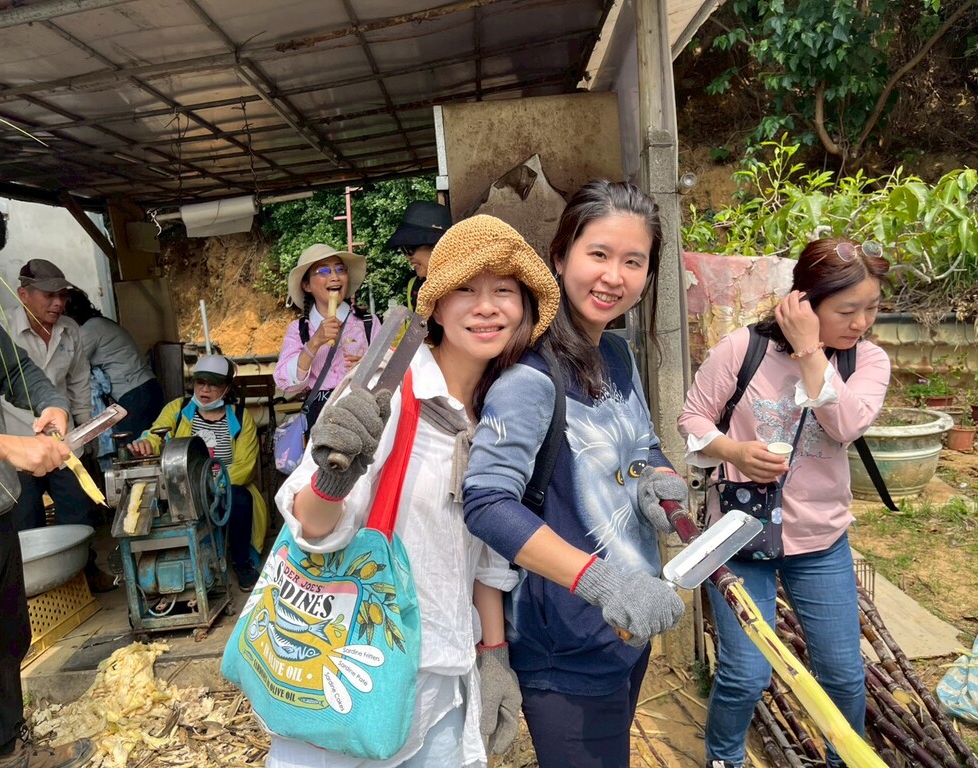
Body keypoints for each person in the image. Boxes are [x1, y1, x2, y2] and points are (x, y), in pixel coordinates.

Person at [270, 214, 561, 768]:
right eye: (465, 290)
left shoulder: (503, 414)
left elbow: (486, 553)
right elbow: (308, 524)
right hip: (348, 678)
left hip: (444, 686)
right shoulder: (389, 388)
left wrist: (494, 654)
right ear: (437, 306)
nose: (486, 307)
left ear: (524, 308)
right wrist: (333, 479)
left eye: (504, 290)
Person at [461, 181, 688, 768]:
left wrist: (658, 478)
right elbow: (486, 502)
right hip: (563, 645)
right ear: (560, 258)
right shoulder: (530, 378)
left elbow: (643, 444)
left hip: (625, 626)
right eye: (599, 254)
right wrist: (604, 584)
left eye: (633, 261)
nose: (614, 276)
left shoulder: (618, 355)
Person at [678, 238, 891, 768]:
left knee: (843, 675)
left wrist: (810, 352)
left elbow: (846, 425)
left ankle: (844, 760)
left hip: (820, 541)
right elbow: (692, 417)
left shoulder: (867, 360)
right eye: (847, 309)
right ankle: (724, 759)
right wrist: (733, 451)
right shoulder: (742, 350)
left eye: (872, 307)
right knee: (745, 674)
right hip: (739, 535)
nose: (861, 322)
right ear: (805, 301)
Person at [0, 178, 94, 768]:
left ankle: (6, 750)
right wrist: (8, 447)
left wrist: (51, 404)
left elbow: (17, 371)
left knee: (6, 639)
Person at [0, 258, 116, 592]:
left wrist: (84, 433)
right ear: (24, 295)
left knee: (78, 511)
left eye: (62, 295)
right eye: (49, 295)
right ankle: (32, 592)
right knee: (25, 520)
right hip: (17, 444)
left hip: (63, 440)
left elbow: (79, 382)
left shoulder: (70, 329)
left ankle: (85, 575)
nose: (58, 303)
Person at [129, 354, 267, 592]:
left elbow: (245, 466)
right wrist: (146, 444)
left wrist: (212, 485)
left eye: (213, 384)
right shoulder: (178, 409)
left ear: (226, 388)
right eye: (200, 382)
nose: (205, 390)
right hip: (184, 486)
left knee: (241, 499)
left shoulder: (241, 417)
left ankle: (242, 563)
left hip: (226, 485)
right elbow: (156, 434)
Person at [273, 244, 379, 432]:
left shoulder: (368, 323)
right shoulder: (299, 329)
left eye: (340, 269)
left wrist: (365, 366)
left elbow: (391, 370)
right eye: (323, 271)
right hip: (320, 413)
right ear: (307, 285)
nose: (334, 276)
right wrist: (314, 342)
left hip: (362, 408)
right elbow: (285, 381)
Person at [62, 287, 164, 444]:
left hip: (134, 393)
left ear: (72, 314)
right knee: (149, 443)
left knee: (133, 446)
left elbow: (69, 365)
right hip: (146, 387)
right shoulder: (102, 323)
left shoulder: (91, 329)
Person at [385, 200, 453, 311]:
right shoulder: (414, 286)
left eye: (409, 248)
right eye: (403, 250)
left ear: (438, 246)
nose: (407, 257)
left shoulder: (467, 284)